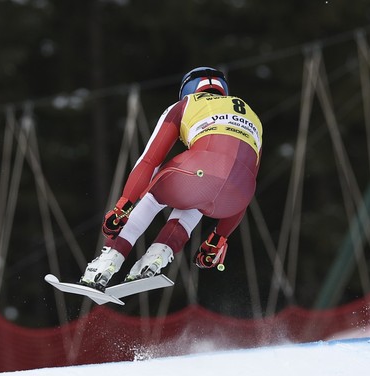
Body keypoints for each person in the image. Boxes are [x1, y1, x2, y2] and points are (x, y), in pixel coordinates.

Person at [79, 66, 263, 291]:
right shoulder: (253, 117)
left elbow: (149, 160)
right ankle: (157, 258)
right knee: (198, 199)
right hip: (236, 197)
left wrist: (123, 206)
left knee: (156, 188)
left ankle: (108, 262)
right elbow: (245, 181)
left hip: (200, 169)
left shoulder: (186, 104)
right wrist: (218, 239)